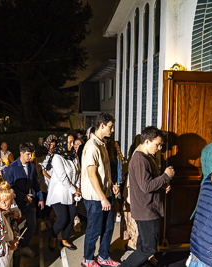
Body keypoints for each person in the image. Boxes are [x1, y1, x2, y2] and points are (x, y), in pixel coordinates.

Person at [121, 126, 174, 267]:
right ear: (147, 142)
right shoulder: (139, 159)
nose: (160, 148)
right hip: (146, 210)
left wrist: (162, 185)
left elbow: (147, 182)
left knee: (143, 244)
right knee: (149, 248)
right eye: (158, 144)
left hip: (147, 209)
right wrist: (165, 177)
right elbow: (146, 187)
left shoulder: (146, 157)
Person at [81, 113, 120, 267]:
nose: (112, 129)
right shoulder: (91, 146)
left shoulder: (102, 144)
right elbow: (91, 175)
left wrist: (111, 184)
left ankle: (103, 256)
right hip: (95, 197)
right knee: (94, 229)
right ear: (102, 125)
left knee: (108, 227)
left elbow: (103, 171)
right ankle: (88, 259)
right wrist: (103, 197)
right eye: (110, 126)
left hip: (106, 193)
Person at [4, 142, 44, 258]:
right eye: (27, 154)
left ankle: (24, 246)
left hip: (29, 202)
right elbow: (8, 187)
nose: (30, 157)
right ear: (21, 153)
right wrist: (22, 196)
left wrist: (40, 198)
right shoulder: (11, 168)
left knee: (32, 224)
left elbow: (36, 183)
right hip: (15, 202)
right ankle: (13, 248)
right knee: (14, 226)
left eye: (31, 154)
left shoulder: (31, 166)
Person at [46, 133, 81, 251]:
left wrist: (79, 188)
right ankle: (54, 236)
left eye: (73, 142)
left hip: (72, 193)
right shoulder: (57, 157)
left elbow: (78, 173)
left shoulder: (73, 156)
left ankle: (65, 239)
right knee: (63, 218)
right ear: (63, 143)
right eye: (69, 142)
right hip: (59, 193)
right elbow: (62, 178)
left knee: (71, 217)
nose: (72, 145)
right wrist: (74, 190)